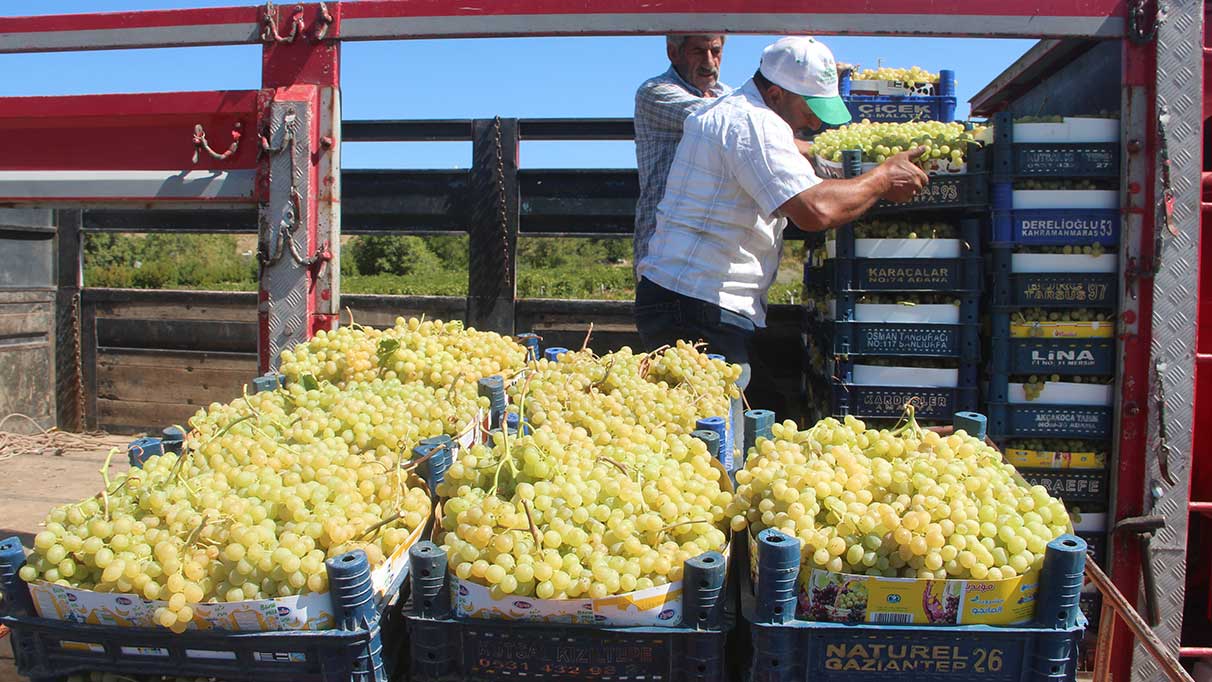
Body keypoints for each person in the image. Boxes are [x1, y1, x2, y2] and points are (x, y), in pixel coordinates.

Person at [634, 36, 928, 414]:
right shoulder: (753, 123)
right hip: (695, 307)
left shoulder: (743, 111)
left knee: (764, 411)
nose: (815, 121)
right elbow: (814, 210)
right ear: (774, 94)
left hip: (693, 303)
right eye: (810, 108)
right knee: (720, 436)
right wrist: (882, 179)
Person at [632, 34, 729, 273]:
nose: (709, 62)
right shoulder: (656, 92)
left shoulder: (728, 96)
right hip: (664, 251)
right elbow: (725, 122)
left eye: (715, 51)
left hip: (714, 245)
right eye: (698, 52)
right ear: (673, 53)